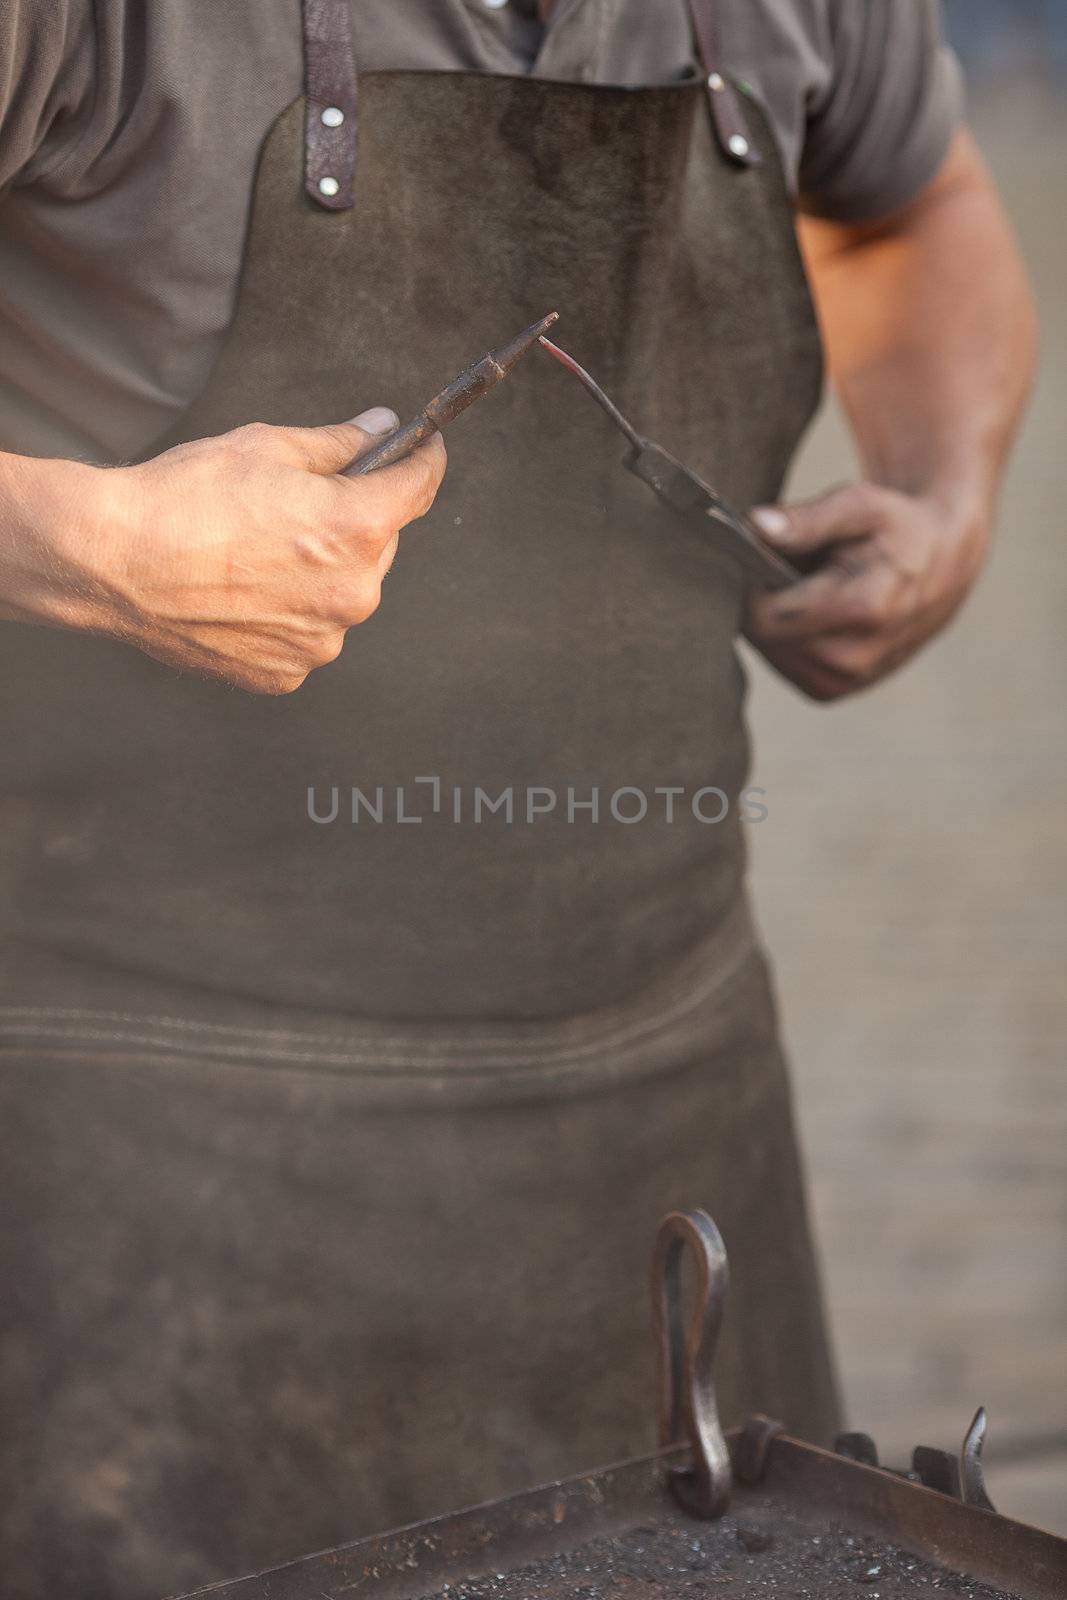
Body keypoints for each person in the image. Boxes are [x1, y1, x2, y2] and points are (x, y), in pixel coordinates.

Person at [0, 2, 1035, 1596]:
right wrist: (91, 552)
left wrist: (946, 487)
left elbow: (916, 208)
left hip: (675, 1136)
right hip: (135, 1140)